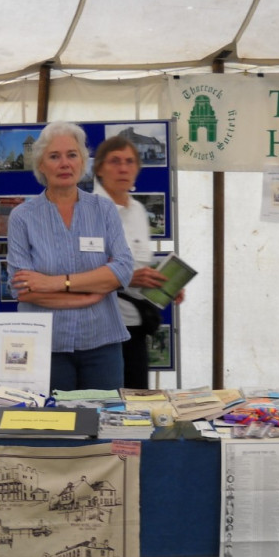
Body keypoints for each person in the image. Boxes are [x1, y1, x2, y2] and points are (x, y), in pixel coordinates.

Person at [5, 122, 133, 392]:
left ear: (83, 161)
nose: (64, 163)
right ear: (41, 165)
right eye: (54, 156)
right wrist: (91, 292)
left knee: (105, 422)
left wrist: (55, 283)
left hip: (102, 343)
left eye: (72, 155)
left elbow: (122, 270)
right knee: (52, 428)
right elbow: (22, 289)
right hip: (44, 345)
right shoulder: (22, 217)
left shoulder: (104, 210)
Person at [92, 135, 182, 389]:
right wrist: (126, 277)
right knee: (104, 407)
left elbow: (143, 267)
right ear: (99, 168)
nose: (123, 168)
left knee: (135, 406)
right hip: (100, 330)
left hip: (135, 325)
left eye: (130, 161)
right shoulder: (90, 211)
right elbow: (79, 270)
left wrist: (168, 283)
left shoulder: (139, 211)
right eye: (115, 161)